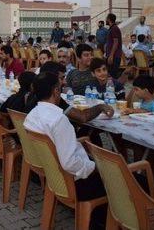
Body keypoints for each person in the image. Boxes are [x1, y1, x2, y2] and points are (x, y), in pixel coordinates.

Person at [23, 72, 110, 227]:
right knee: (133, 181)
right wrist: (94, 168)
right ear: (56, 91)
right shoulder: (58, 120)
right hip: (74, 182)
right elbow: (69, 163)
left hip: (54, 176)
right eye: (60, 86)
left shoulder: (32, 115)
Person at [105, 13, 122, 78]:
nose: (105, 20)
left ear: (109, 19)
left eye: (106, 18)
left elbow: (116, 42)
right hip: (111, 55)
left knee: (112, 77)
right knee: (109, 76)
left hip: (114, 56)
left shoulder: (114, 28)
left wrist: (111, 55)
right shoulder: (111, 28)